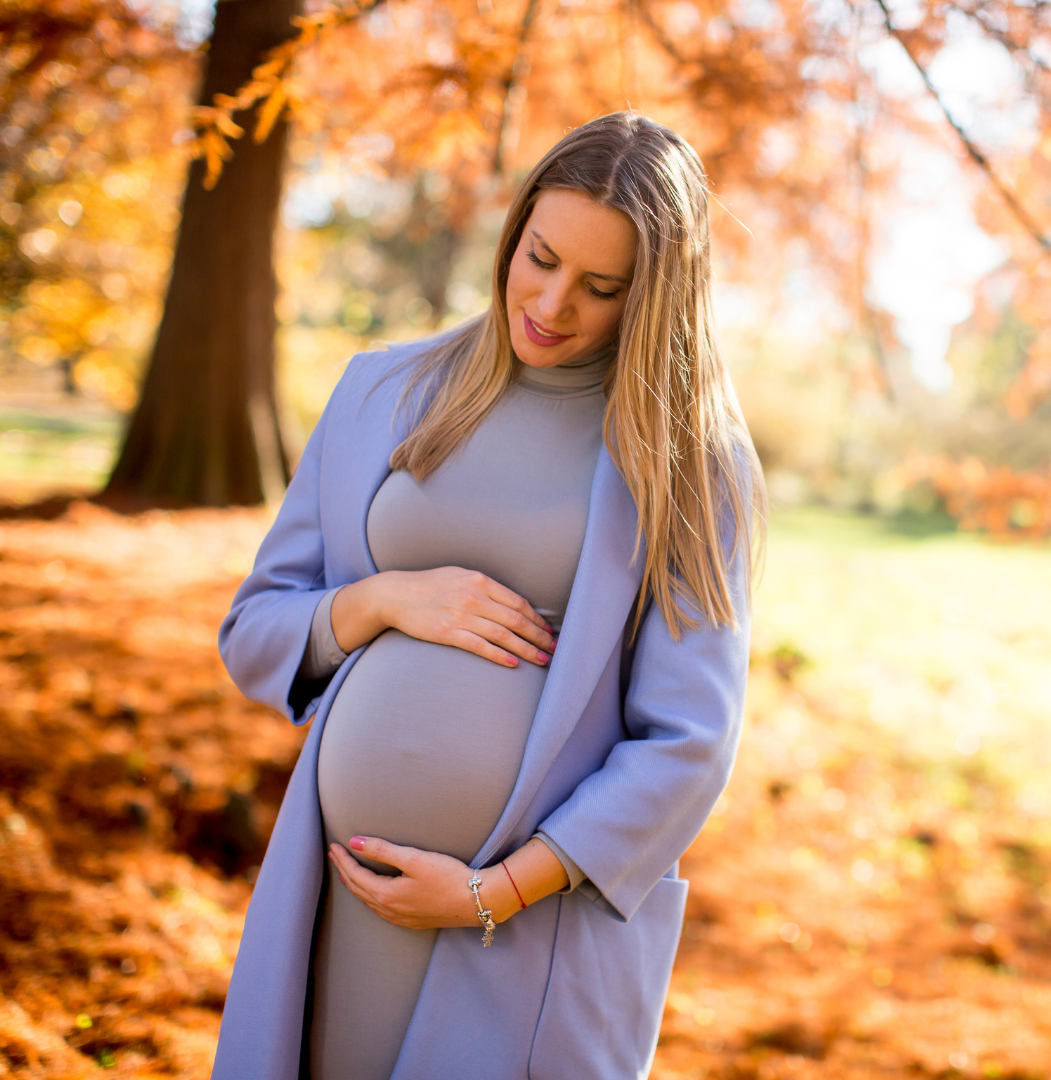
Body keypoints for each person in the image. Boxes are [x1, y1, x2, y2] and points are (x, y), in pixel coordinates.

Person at [213, 111, 765, 1080]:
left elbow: (689, 742)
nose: (552, 304)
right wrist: (382, 601)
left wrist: (490, 893)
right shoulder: (378, 391)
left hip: (527, 935)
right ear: (513, 232)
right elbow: (255, 627)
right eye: (539, 258)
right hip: (340, 904)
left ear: (657, 297)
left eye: (601, 288)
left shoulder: (693, 464)